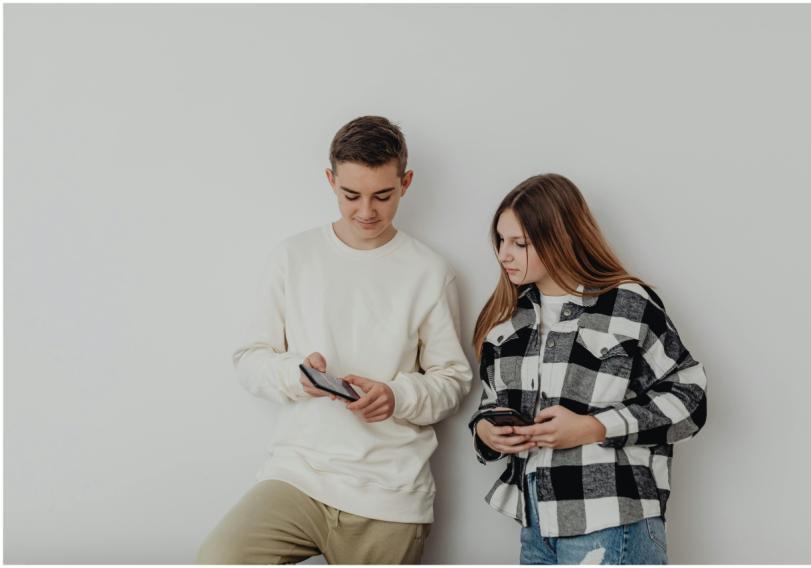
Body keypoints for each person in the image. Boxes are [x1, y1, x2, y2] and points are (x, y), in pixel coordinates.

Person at [197, 116, 473, 564]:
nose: (366, 211)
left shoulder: (430, 272)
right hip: (298, 477)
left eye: (383, 195)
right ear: (331, 181)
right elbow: (249, 358)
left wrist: (396, 396)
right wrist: (296, 375)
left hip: (390, 493)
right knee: (219, 559)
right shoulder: (294, 256)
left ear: (406, 182)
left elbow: (453, 381)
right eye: (351, 195)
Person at [468, 173, 707, 565]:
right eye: (500, 240)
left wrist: (592, 428)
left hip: (612, 518)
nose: (503, 254)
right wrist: (487, 431)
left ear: (558, 239)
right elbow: (490, 402)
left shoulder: (626, 303)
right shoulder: (507, 322)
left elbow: (691, 398)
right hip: (536, 522)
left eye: (519, 243)